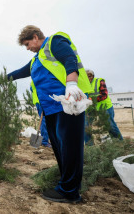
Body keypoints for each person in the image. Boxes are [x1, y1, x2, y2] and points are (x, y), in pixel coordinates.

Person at [7, 25, 92, 203]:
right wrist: (1, 78)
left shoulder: (54, 42)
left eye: (27, 44)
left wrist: (71, 83)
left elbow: (70, 58)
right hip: (51, 110)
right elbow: (21, 72)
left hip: (67, 104)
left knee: (70, 148)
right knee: (60, 147)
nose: (27, 48)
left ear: (36, 37)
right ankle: (65, 183)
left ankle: (70, 192)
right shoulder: (36, 60)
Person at [85, 69, 123, 143]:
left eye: (89, 76)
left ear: (92, 76)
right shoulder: (83, 85)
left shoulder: (99, 81)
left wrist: (92, 99)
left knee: (110, 126)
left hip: (105, 107)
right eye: (86, 76)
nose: (88, 78)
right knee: (85, 126)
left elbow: (104, 95)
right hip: (91, 108)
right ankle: (89, 146)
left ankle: (119, 143)